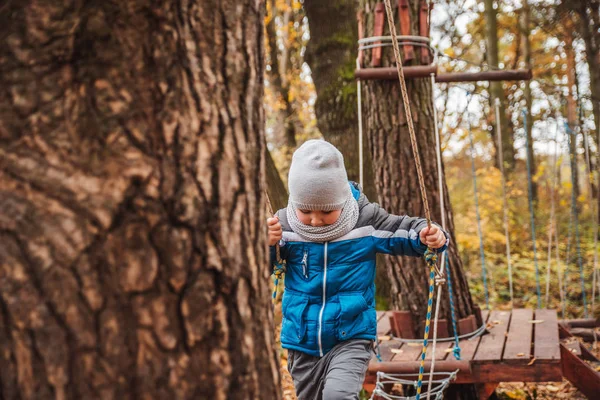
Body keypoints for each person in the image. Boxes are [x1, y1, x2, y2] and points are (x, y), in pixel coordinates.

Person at [268, 140, 448, 400]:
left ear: (341, 200)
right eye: (305, 210)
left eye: (327, 211)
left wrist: (429, 236)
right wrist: (264, 242)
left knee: (337, 396)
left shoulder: (365, 221)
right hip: (301, 338)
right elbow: (264, 265)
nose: (316, 220)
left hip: (350, 335)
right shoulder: (283, 225)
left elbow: (405, 229)